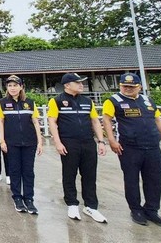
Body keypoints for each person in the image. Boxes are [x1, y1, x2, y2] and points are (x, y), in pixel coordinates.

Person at [102, 73, 161, 229]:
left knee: (154, 180)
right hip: (129, 148)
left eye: (131, 86)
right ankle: (136, 210)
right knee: (131, 179)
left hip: (152, 147)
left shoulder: (148, 101)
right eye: (124, 86)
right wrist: (112, 141)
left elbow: (158, 120)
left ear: (139, 87)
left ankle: (152, 210)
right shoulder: (113, 100)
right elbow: (106, 120)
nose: (127, 89)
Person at [48, 73, 107, 223]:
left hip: (88, 142)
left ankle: (91, 206)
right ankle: (72, 204)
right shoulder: (57, 101)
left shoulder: (87, 101)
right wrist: (58, 142)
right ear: (67, 85)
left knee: (89, 175)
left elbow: (95, 121)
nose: (81, 85)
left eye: (82, 83)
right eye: (78, 82)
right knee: (69, 174)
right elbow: (52, 122)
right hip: (69, 142)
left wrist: (101, 141)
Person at [0, 75, 43, 214]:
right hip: (12, 143)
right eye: (10, 85)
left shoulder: (30, 103)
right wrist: (2, 141)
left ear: (21, 87)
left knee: (28, 171)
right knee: (15, 171)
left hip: (29, 142)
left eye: (15, 85)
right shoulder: (2, 103)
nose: (12, 88)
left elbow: (35, 122)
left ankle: (29, 199)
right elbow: (0, 122)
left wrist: (40, 142)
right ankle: (17, 197)